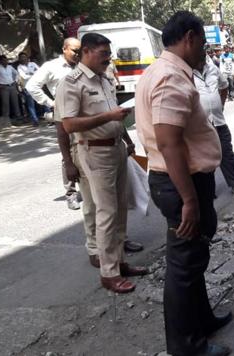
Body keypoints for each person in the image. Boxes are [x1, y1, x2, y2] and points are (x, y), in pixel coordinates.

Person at [135, 11, 231, 356]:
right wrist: (189, 200)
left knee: (193, 259)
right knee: (183, 268)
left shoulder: (163, 71)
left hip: (181, 181)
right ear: (189, 37)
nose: (205, 50)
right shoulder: (170, 77)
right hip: (180, 184)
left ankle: (202, 320)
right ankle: (187, 348)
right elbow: (168, 142)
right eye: (203, 42)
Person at [56, 33, 149, 294]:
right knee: (106, 213)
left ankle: (119, 262)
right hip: (95, 153)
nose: (108, 58)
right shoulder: (72, 83)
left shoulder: (104, 78)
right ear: (86, 51)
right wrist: (109, 116)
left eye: (108, 54)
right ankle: (109, 273)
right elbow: (69, 124)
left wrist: (126, 138)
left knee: (120, 209)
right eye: (102, 54)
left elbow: (116, 117)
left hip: (116, 148)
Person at [26, 38, 82, 210]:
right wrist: (50, 103)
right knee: (68, 153)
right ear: (64, 49)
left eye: (79, 51)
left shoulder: (81, 65)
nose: (77, 54)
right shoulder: (51, 67)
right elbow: (31, 85)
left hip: (85, 113)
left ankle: (89, 188)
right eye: (74, 50)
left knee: (86, 149)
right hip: (64, 115)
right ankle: (71, 193)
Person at [194, 56, 234, 199]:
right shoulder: (187, 73)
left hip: (219, 121)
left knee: (227, 153)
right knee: (205, 157)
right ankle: (208, 190)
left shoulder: (213, 68)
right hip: (202, 124)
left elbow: (224, 87)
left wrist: (222, 104)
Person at [0, 55, 21, 124]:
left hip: (12, 86)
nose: (6, 61)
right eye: (4, 60)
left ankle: (18, 117)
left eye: (6, 60)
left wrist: (15, 81)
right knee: (5, 104)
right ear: (0, 61)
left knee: (15, 102)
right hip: (3, 87)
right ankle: (6, 120)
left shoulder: (10, 67)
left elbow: (17, 73)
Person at [16, 52, 40, 126]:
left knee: (42, 102)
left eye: (24, 57)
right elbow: (24, 76)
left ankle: (50, 118)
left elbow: (39, 72)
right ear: (19, 59)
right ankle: (35, 120)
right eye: (21, 57)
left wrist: (30, 74)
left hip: (37, 86)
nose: (23, 58)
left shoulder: (33, 64)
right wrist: (33, 74)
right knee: (31, 105)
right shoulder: (19, 67)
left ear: (27, 57)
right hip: (27, 87)